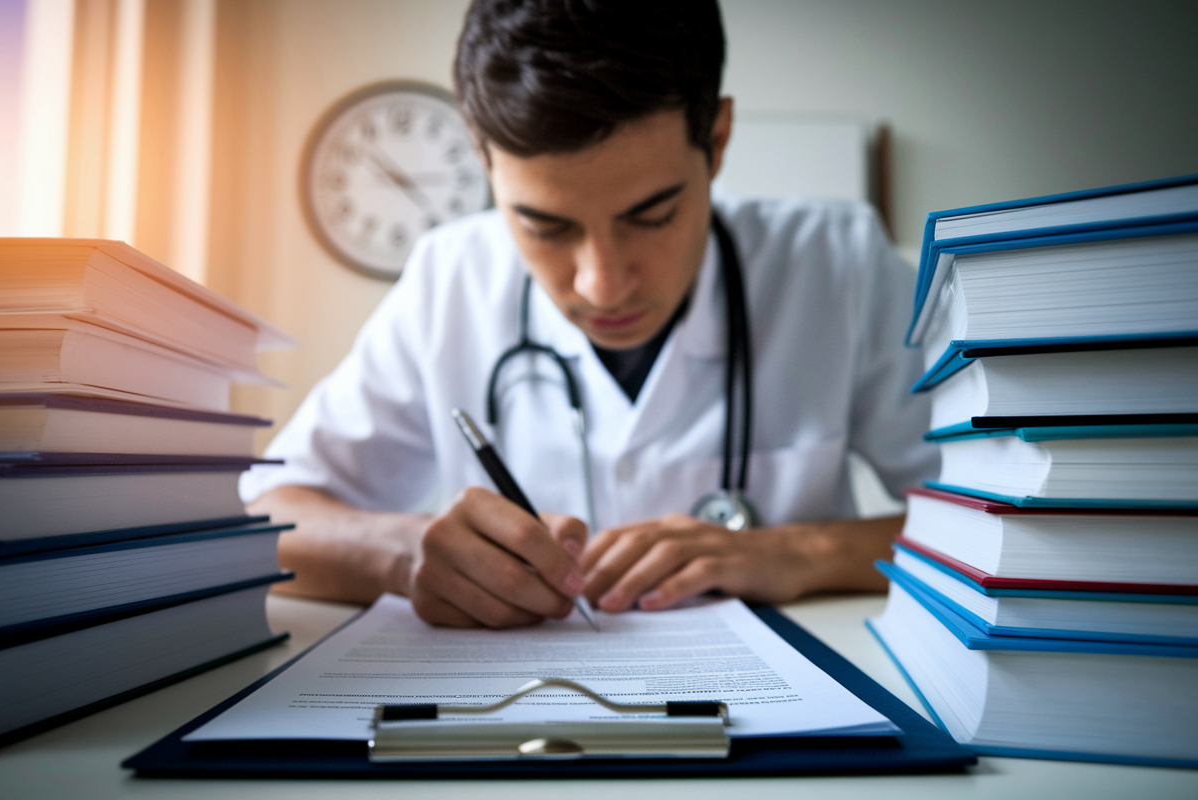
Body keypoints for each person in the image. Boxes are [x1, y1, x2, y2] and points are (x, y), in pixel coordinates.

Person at [241, 0, 937, 628]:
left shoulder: (839, 264)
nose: (602, 285)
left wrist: (800, 552)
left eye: (654, 216)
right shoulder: (448, 277)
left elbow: (1020, 520)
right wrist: (404, 557)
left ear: (718, 140)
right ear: (484, 161)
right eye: (545, 227)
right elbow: (262, 517)